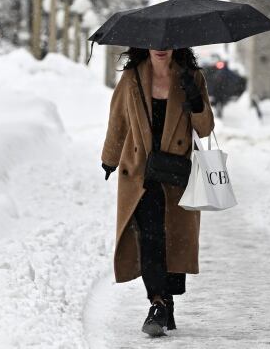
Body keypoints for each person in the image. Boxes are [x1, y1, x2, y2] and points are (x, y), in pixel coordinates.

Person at [101, 47, 214, 337]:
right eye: (154, 42)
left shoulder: (191, 77)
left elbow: (205, 129)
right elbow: (119, 120)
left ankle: (167, 301)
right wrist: (110, 159)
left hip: (176, 173)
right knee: (150, 236)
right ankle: (158, 302)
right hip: (141, 173)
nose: (161, 47)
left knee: (173, 237)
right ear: (145, 45)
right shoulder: (132, 78)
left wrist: (195, 101)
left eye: (167, 41)